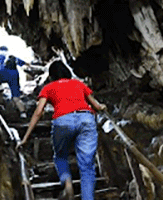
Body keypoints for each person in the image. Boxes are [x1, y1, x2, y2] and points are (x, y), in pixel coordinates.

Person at [17, 61, 106, 200]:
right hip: (85, 118)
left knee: (60, 156)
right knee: (87, 166)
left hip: (63, 120)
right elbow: (96, 105)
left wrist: (25, 138)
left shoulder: (48, 87)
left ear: (52, 75)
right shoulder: (78, 84)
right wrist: (101, 107)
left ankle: (67, 183)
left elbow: (39, 112)